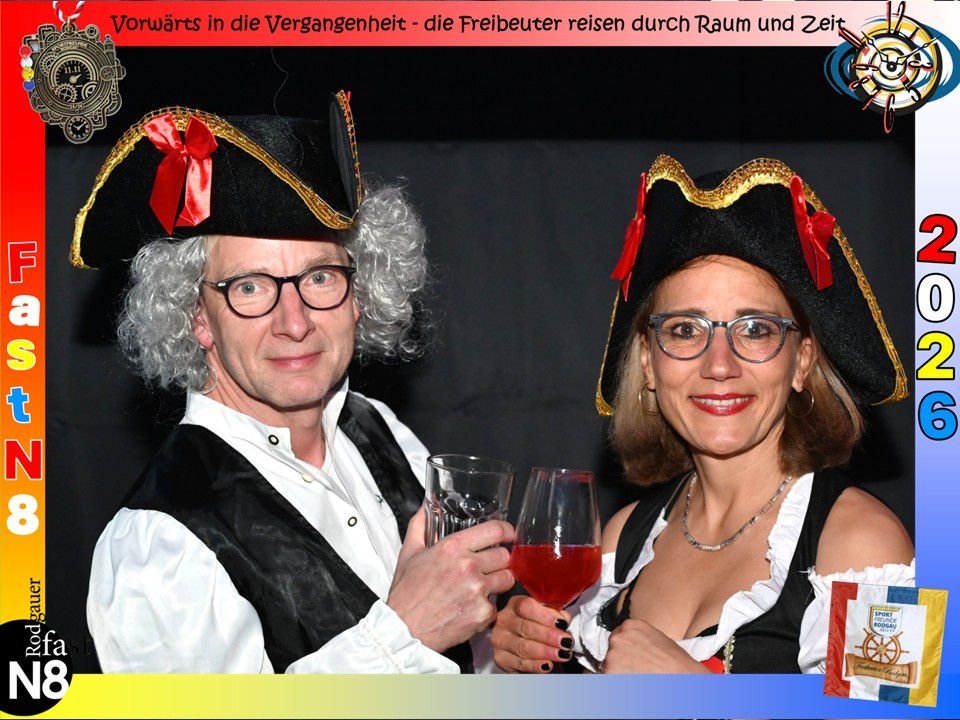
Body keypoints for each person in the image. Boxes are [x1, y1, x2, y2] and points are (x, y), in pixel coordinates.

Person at [75, 93, 514, 673]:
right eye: (250, 287)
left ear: (360, 295)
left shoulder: (381, 430)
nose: (295, 321)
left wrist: (501, 652)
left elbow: (459, 664)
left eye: (320, 277)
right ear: (196, 316)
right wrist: (403, 638)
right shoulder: (160, 542)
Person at [491, 154, 914, 674]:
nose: (719, 366)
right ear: (649, 363)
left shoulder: (867, 542)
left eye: (754, 330)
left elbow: (903, 709)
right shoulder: (623, 537)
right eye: (685, 330)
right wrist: (516, 656)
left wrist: (697, 693)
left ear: (801, 361)